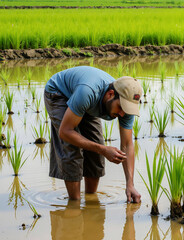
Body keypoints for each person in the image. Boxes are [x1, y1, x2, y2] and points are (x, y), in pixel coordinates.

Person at [44, 66, 142, 203]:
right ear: (110, 94)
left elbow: (127, 144)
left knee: (96, 148)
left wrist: (130, 184)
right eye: (120, 107)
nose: (122, 114)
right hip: (59, 93)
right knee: (73, 148)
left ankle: (90, 201)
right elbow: (65, 132)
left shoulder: (125, 107)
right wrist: (103, 149)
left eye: (126, 109)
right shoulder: (88, 92)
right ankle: (75, 204)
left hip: (86, 102)